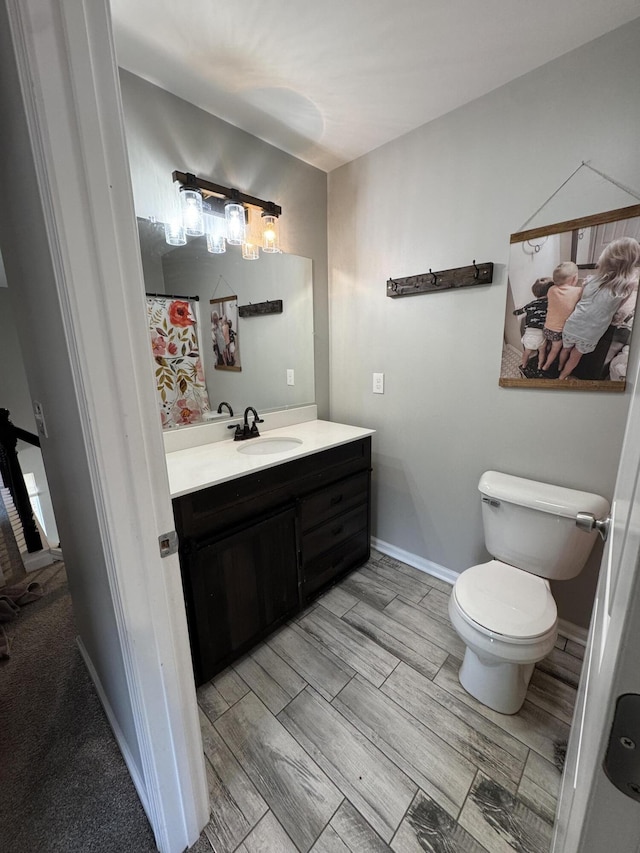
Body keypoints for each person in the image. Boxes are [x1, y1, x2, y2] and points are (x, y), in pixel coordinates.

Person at [558, 237, 640, 380]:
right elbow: (617, 308)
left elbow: (581, 299)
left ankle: (558, 367)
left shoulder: (589, 279)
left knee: (565, 349)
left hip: (573, 324)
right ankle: (562, 376)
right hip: (591, 332)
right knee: (575, 356)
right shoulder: (627, 287)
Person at [540, 261, 583, 372]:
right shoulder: (578, 291)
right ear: (574, 279)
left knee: (550, 344)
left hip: (546, 327)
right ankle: (547, 365)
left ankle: (545, 355)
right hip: (558, 332)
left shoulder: (551, 290)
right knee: (556, 350)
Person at [512, 277, 553, 375]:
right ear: (550, 292)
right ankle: (539, 367)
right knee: (542, 351)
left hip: (529, 334)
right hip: (540, 335)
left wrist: (516, 311)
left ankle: (524, 365)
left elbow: (518, 312)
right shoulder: (550, 304)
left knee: (527, 352)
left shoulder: (530, 304)